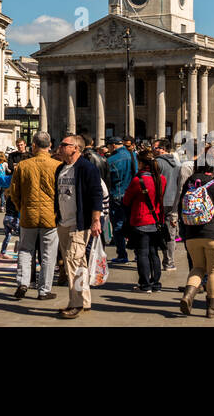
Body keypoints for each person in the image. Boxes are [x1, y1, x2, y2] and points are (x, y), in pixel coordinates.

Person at [52, 134, 103, 319]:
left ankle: (75, 304)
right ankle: (85, 301)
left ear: (75, 148)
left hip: (79, 224)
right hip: (63, 222)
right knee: (78, 264)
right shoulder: (61, 168)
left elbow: (96, 195)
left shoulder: (87, 168)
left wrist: (96, 219)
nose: (60, 146)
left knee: (73, 264)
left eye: (64, 144)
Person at [177, 155, 214, 318]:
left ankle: (188, 295)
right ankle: (213, 308)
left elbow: (181, 206)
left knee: (198, 267)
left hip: (192, 233)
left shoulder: (190, 183)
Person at [9, 132, 61, 301]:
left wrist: (21, 208)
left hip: (28, 214)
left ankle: (23, 282)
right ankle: (44, 289)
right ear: (50, 146)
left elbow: (14, 192)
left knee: (25, 250)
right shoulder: (57, 166)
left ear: (34, 145)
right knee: (48, 254)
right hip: (50, 216)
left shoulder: (23, 166)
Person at [121, 147, 165, 292]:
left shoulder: (138, 180)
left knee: (142, 254)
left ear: (141, 163)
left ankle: (145, 284)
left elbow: (126, 201)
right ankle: (156, 283)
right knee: (154, 253)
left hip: (141, 220)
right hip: (156, 220)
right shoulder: (161, 179)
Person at [106, 135, 137, 264]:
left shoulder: (111, 159)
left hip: (117, 193)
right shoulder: (133, 155)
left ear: (113, 145)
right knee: (133, 223)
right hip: (132, 193)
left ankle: (122, 254)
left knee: (118, 225)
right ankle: (137, 252)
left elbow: (108, 179)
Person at [154, 139, 183, 272]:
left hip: (159, 201)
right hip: (173, 201)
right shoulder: (178, 163)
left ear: (162, 149)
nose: (153, 150)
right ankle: (169, 261)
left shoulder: (157, 163)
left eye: (156, 148)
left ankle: (155, 260)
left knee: (156, 231)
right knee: (170, 233)